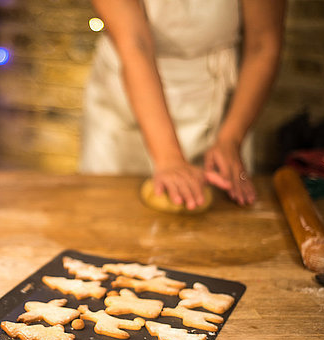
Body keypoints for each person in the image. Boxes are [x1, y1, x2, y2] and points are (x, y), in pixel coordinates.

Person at [81, 0, 286, 209]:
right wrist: (169, 157)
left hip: (217, 99)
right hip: (124, 104)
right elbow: (135, 43)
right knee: (108, 208)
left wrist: (231, 139)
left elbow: (263, 44)